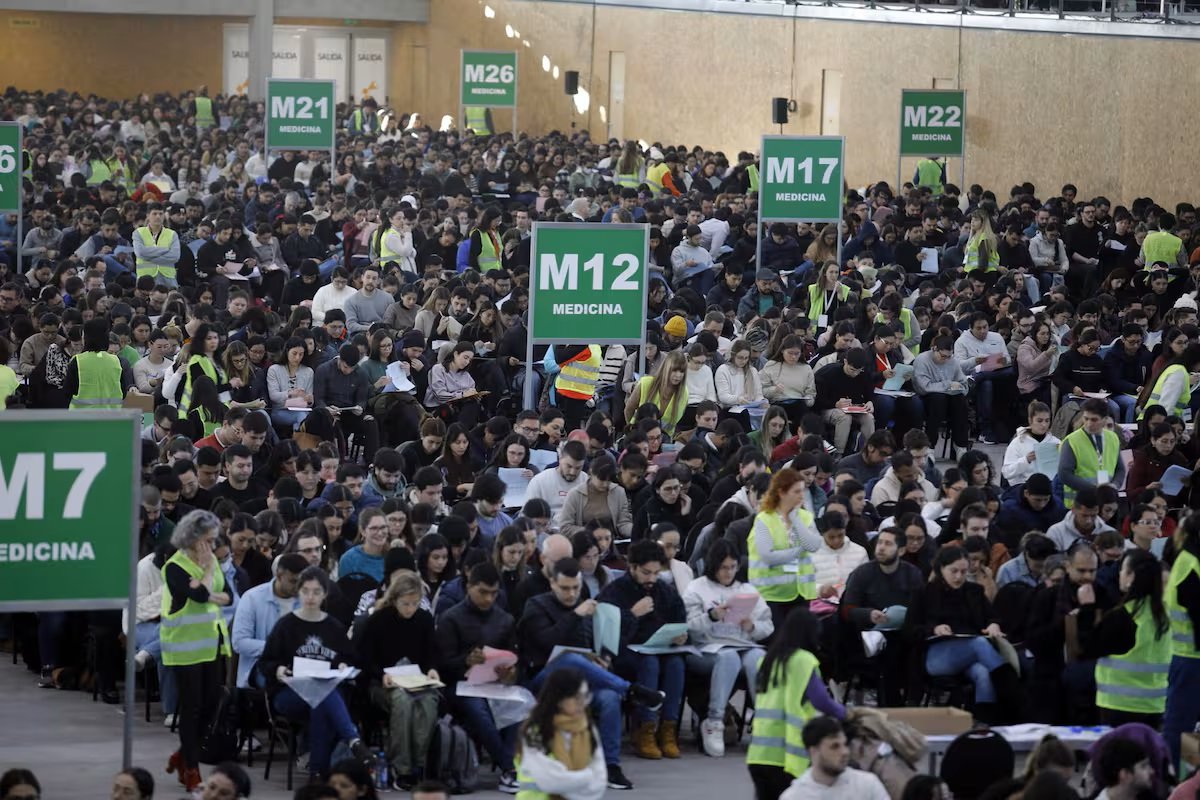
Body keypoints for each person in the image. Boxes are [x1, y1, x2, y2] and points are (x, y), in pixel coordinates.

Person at [259, 566, 372, 780]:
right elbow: (265, 662)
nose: (310, 597)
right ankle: (352, 739)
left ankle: (317, 772)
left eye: (316, 592)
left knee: (321, 699)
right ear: (298, 592)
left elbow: (350, 657)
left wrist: (342, 665)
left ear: (325, 594)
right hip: (290, 692)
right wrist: (278, 669)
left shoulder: (333, 627)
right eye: (306, 591)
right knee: (323, 697)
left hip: (325, 690)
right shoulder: (286, 625)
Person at [905, 545, 1020, 723]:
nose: (959, 577)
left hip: (971, 654)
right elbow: (909, 630)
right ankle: (1013, 692)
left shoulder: (974, 591)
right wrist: (934, 629)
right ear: (941, 568)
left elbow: (992, 616)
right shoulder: (924, 593)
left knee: (982, 672)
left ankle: (983, 721)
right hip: (935, 655)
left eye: (964, 572)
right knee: (979, 644)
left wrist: (993, 625)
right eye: (954, 571)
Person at [161, 510, 233, 792]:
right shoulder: (175, 567)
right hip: (183, 647)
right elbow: (201, 596)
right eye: (209, 540)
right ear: (192, 538)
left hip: (211, 644)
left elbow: (228, 596)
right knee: (191, 708)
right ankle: (192, 768)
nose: (213, 546)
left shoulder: (211, 560)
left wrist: (206, 584)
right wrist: (207, 574)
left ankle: (183, 754)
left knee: (211, 705)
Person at [597, 540, 687, 761]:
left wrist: (681, 636)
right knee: (649, 664)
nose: (652, 579)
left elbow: (680, 619)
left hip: (661, 650)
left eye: (656, 573)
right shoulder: (614, 592)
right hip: (626, 653)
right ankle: (645, 728)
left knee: (676, 664)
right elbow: (607, 634)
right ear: (632, 567)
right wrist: (632, 615)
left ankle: (668, 728)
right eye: (646, 573)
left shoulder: (665, 591)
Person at [683, 539, 772, 757]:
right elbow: (687, 627)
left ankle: (764, 721)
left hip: (743, 644)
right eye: (724, 567)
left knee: (759, 657)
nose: (729, 572)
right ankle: (714, 721)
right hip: (706, 648)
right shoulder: (697, 587)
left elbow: (768, 626)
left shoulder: (746, 589)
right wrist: (711, 616)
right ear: (713, 566)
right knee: (729, 657)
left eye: (733, 567)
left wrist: (752, 627)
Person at [436, 563, 520, 793]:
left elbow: (514, 659)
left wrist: (509, 673)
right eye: (483, 592)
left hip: (494, 683)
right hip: (460, 685)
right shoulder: (451, 619)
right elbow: (441, 666)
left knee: (519, 702)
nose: (488, 599)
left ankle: (510, 764)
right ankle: (508, 767)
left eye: (493, 593)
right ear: (469, 587)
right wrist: (465, 661)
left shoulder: (505, 619)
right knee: (478, 707)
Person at [746, 608, 844, 800]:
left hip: (758, 754)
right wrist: (847, 714)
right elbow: (821, 701)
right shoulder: (803, 660)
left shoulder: (765, 660)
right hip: (786, 758)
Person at [357, 570, 440, 791]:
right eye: (405, 604)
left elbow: (431, 653)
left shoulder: (424, 619)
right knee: (403, 703)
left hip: (416, 680)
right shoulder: (378, 620)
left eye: (415, 603)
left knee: (428, 702)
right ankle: (401, 767)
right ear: (394, 600)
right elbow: (365, 658)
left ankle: (419, 763)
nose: (410, 609)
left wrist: (432, 669)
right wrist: (381, 675)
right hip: (383, 682)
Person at [1085, 549, 1171, 728]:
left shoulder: (1123, 615)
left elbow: (1088, 647)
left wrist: (1086, 609)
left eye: (1123, 570)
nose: (1120, 575)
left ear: (1132, 576)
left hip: (1119, 705)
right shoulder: (1166, 615)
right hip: (1156, 705)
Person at [840, 527, 924, 706]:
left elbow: (920, 610)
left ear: (901, 550)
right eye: (880, 542)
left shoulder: (913, 574)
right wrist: (868, 614)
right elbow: (847, 610)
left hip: (902, 632)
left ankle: (911, 703)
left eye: (888, 544)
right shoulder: (862, 573)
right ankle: (892, 704)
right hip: (868, 634)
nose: (881, 548)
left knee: (915, 646)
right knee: (889, 650)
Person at [514, 668, 608, 800]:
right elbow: (551, 781)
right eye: (576, 697)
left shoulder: (587, 728)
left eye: (585, 696)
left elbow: (599, 781)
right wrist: (587, 777)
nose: (582, 703)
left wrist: (573, 782)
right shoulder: (535, 730)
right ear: (559, 698)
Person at [748, 468, 822, 630]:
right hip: (772, 595)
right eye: (796, 491)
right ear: (781, 493)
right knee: (779, 640)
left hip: (801, 593)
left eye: (802, 491)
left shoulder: (805, 517)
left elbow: (814, 545)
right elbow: (768, 556)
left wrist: (795, 518)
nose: (801, 495)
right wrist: (798, 551)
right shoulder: (764, 519)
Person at [230, 552, 306, 688]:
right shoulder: (252, 598)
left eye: (302, 583)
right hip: (259, 669)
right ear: (279, 575)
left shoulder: (306, 600)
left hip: (298, 667)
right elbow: (239, 642)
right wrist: (276, 648)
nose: (298, 587)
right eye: (293, 581)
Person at [1163, 513, 1200, 772]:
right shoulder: (1190, 563)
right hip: (1189, 659)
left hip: (1191, 659)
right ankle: (1175, 779)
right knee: (1181, 727)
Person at [778, 717, 890, 800]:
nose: (845, 752)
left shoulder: (867, 784)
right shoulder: (795, 796)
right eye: (834, 746)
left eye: (845, 744)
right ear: (813, 751)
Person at [1057, 399, 1124, 509]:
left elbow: (1120, 469)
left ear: (1104, 420)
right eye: (1086, 418)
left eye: (1094, 420)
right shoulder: (1071, 441)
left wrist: (1115, 485)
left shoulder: (1113, 438)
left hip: (1105, 503)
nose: (1088, 424)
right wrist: (1095, 490)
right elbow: (1064, 474)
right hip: (1079, 504)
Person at [911, 336, 970, 457]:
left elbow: (963, 384)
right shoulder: (922, 360)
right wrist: (947, 385)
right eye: (943, 356)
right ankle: (930, 446)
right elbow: (924, 387)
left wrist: (958, 387)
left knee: (960, 399)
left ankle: (960, 445)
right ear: (934, 349)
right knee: (938, 399)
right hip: (927, 397)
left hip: (950, 398)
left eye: (949, 356)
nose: (946, 359)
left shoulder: (952, 361)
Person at [811, 348, 875, 455]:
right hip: (827, 409)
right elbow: (817, 400)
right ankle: (838, 453)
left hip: (854, 408)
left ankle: (869, 451)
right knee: (844, 417)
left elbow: (869, 394)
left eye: (859, 370)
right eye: (852, 370)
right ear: (845, 362)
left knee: (869, 418)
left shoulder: (864, 373)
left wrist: (870, 402)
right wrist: (835, 404)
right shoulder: (828, 373)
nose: (855, 374)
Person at [1002, 401, 1060, 486]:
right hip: (1024, 486)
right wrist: (1025, 460)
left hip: (1051, 486)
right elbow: (1006, 472)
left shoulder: (1056, 442)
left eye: (1047, 421)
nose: (1044, 425)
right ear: (1030, 420)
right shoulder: (1018, 442)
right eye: (1039, 421)